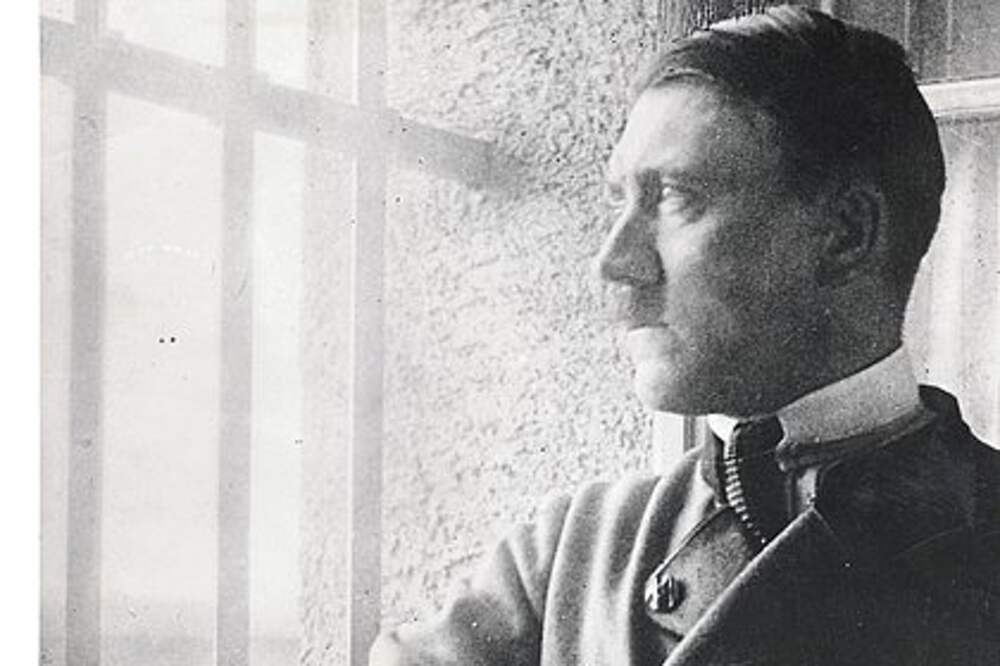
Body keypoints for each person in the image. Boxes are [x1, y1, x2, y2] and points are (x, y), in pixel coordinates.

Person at [371, 6, 1000, 665]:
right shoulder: (565, 559)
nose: (614, 261)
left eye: (674, 196)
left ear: (845, 235)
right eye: (620, 200)